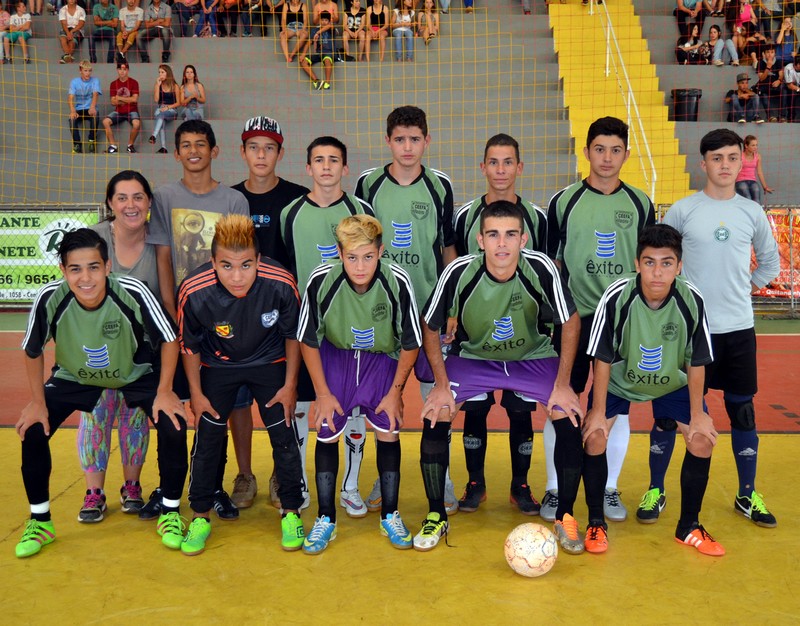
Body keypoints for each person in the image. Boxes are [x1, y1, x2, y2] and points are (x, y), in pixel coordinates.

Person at [419, 201, 583, 553]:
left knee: (568, 417)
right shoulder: (459, 271)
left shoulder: (540, 269)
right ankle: (435, 514)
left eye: (510, 234)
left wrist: (563, 384)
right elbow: (429, 325)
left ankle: (566, 516)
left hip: (532, 357)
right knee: (436, 415)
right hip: (474, 358)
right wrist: (442, 385)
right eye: (493, 235)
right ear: (480, 239)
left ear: (523, 239)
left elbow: (571, 321)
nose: (502, 244)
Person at [15, 228, 186, 558]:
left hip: (134, 374)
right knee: (32, 430)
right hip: (74, 377)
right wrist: (38, 403)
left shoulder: (132, 291)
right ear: (63, 271)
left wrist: (164, 391)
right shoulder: (51, 297)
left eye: (93, 267)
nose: (86, 278)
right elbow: (32, 351)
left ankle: (170, 513)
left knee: (173, 425)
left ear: (108, 266)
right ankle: (41, 521)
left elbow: (169, 339)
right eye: (75, 269)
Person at [654, 128, 780, 529]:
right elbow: (661, 259)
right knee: (670, 416)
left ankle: (747, 494)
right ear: (703, 163)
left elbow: (771, 264)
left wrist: (743, 286)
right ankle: (656, 489)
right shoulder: (683, 210)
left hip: (738, 328)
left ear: (740, 160)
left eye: (731, 158)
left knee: (742, 411)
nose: (724, 165)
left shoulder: (751, 212)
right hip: (690, 331)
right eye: (716, 158)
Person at [583, 224, 723, 556]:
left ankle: (688, 526)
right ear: (636, 263)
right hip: (621, 380)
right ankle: (595, 523)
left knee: (702, 439)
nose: (656, 272)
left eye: (665, 263)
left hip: (671, 383)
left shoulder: (691, 299)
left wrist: (697, 414)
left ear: (678, 266)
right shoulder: (617, 296)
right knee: (594, 435)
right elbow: (602, 357)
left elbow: (697, 359)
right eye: (649, 262)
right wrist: (599, 411)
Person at [545, 116, 656, 524]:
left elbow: (648, 261)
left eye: (615, 150)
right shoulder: (564, 201)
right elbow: (553, 263)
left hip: (622, 323)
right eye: (599, 149)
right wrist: (557, 315)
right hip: (575, 320)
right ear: (587, 152)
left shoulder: (641, 203)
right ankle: (556, 489)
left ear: (627, 154)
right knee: (563, 404)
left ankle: (608, 488)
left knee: (614, 410)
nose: (607, 158)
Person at [177, 214, 305, 556]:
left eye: (246, 265)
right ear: (213, 262)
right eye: (227, 266)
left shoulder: (281, 282)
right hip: (218, 365)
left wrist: (291, 384)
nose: (237, 276)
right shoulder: (194, 290)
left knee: (284, 436)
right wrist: (196, 393)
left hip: (270, 362)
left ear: (259, 260)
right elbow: (188, 346)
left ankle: (291, 512)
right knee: (207, 439)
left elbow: (294, 335)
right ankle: (200, 516)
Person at [142, 119, 250, 521]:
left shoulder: (234, 201)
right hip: (181, 317)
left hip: (224, 321)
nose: (193, 151)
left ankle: (216, 485)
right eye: (185, 144)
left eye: (200, 144)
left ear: (214, 151)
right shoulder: (165, 197)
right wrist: (173, 311)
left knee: (220, 405)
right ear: (176, 152)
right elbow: (164, 258)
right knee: (175, 403)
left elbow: (241, 261)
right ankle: (168, 485)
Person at [355, 105, 458, 516]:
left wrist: (450, 301)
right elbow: (360, 248)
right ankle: (385, 475)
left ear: (427, 142)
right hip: (384, 309)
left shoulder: (439, 186)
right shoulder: (369, 184)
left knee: (437, 393)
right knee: (387, 394)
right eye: (400, 139)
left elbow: (448, 246)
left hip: (429, 307)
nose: (408, 147)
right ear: (388, 142)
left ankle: (442, 477)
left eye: (415, 139)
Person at [298, 214, 421, 554]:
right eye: (351, 257)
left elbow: (411, 342)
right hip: (335, 358)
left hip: (381, 361)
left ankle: (391, 514)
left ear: (381, 252)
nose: (360, 265)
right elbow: (307, 339)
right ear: (339, 253)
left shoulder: (398, 281)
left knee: (389, 427)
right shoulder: (321, 280)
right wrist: (322, 393)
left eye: (368, 256)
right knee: (326, 427)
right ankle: (326, 518)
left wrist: (396, 393)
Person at [452, 133, 547, 515]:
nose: (501, 169)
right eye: (494, 162)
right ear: (483, 167)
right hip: (475, 335)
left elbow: (546, 271)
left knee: (520, 410)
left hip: (523, 334)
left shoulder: (537, 218)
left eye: (508, 162)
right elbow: (457, 271)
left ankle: (520, 485)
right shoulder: (465, 216)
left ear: (519, 168)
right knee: (474, 409)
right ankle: (475, 483)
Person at [281, 136, 374, 518]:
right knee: (304, 407)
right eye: (318, 160)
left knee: (353, 412)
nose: (325, 167)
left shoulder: (361, 210)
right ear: (307, 168)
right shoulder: (291, 213)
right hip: (309, 332)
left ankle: (350, 487)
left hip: (352, 329)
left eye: (334, 160)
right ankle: (301, 483)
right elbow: (285, 270)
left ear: (345, 168)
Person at [229, 115, 308, 510]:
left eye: (269, 148)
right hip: (235, 320)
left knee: (281, 399)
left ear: (281, 152)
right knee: (238, 402)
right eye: (254, 147)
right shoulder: (229, 201)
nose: (261, 155)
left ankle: (283, 473)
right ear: (242, 152)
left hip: (279, 320)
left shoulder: (298, 199)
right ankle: (245, 474)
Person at [76, 170, 161, 523]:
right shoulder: (91, 239)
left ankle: (132, 486)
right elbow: (73, 287)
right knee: (96, 414)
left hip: (140, 353)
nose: (131, 205)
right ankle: (94, 492)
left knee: (135, 417)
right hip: (95, 348)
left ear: (149, 203)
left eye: (138, 197)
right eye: (122, 198)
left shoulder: (159, 244)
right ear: (110, 203)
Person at [102, 61, 140, 154]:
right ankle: (113, 146)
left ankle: (130, 146)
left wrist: (119, 98)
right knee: (105, 121)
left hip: (131, 110)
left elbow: (134, 99)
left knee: (136, 123)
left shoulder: (134, 82)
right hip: (118, 111)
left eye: (124, 69)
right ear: (117, 70)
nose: (122, 71)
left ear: (128, 70)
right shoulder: (113, 84)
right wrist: (127, 99)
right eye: (120, 69)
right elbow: (113, 102)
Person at [68, 60, 101, 154]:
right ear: (80, 70)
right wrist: (73, 110)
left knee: (95, 115)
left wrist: (92, 107)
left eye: (89, 71)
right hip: (79, 109)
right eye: (85, 71)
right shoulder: (74, 82)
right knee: (71, 119)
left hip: (90, 108)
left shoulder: (95, 80)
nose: (88, 73)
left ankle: (91, 140)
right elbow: (70, 98)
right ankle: (77, 144)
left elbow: (95, 94)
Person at [149, 64, 180, 154]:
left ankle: (153, 135)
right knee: (161, 119)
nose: (160, 74)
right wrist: (158, 86)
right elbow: (156, 100)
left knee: (161, 115)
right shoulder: (158, 84)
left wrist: (167, 107)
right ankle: (163, 147)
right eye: (159, 72)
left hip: (172, 110)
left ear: (168, 73)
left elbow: (179, 103)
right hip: (160, 109)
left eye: (162, 72)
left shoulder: (175, 86)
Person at [299, 10, 334, 90]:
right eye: (322, 20)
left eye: (326, 20)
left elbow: (329, 26)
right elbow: (308, 43)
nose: (324, 22)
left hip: (328, 52)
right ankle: (316, 81)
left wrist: (318, 33)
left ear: (329, 21)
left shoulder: (330, 27)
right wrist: (303, 54)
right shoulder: (314, 30)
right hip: (318, 53)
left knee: (327, 60)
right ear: (319, 20)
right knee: (303, 61)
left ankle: (327, 83)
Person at [735, 135, 773, 205]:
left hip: (752, 181)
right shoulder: (739, 156)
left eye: (756, 145)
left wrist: (765, 187)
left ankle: (756, 215)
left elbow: (760, 172)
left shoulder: (758, 156)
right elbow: (734, 171)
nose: (755, 147)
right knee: (748, 198)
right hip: (740, 181)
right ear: (746, 146)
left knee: (756, 199)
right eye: (753, 145)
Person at [756, 46, 786, 121]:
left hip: (776, 86)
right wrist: (768, 67)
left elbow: (781, 74)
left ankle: (782, 116)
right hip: (765, 87)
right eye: (768, 52)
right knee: (761, 92)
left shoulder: (779, 62)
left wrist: (779, 80)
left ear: (775, 53)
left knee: (784, 90)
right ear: (764, 54)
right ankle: (770, 116)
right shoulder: (760, 63)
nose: (770, 54)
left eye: (772, 52)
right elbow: (762, 78)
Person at [89, 0, 118, 64]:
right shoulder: (96, 7)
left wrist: (101, 21)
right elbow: (96, 22)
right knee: (91, 37)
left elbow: (115, 24)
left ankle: (110, 62)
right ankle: (93, 60)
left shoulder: (114, 7)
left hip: (111, 30)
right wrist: (110, 21)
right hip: (99, 30)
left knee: (113, 37)